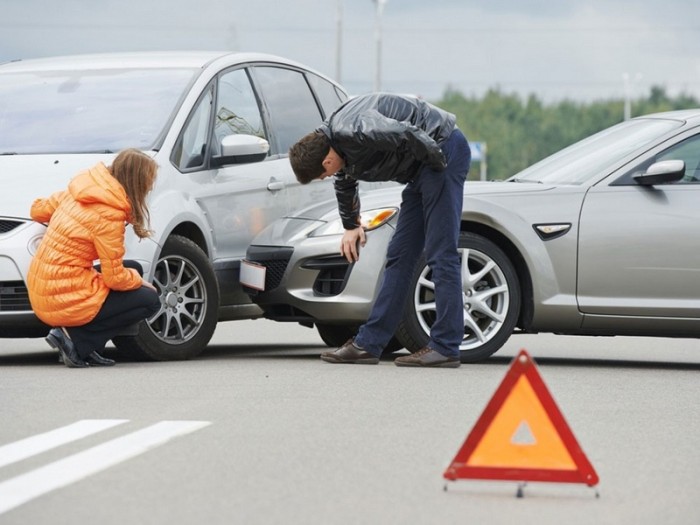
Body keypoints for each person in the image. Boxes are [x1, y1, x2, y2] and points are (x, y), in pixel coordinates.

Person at [289, 93, 471, 368]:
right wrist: (351, 225)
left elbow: (407, 133)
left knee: (440, 251)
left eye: (322, 175)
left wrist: (438, 169)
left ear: (326, 161)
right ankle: (368, 344)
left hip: (441, 153)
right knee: (399, 255)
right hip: (422, 169)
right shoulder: (334, 142)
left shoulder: (356, 129)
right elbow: (345, 180)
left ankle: (445, 346)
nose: (327, 177)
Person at [27, 149, 161, 368]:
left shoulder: (82, 190)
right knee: (149, 300)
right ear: (137, 182)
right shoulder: (109, 214)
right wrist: (139, 281)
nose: (150, 187)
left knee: (133, 267)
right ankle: (76, 341)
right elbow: (115, 278)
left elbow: (37, 210)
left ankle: (85, 345)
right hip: (62, 295)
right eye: (149, 182)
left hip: (43, 284)